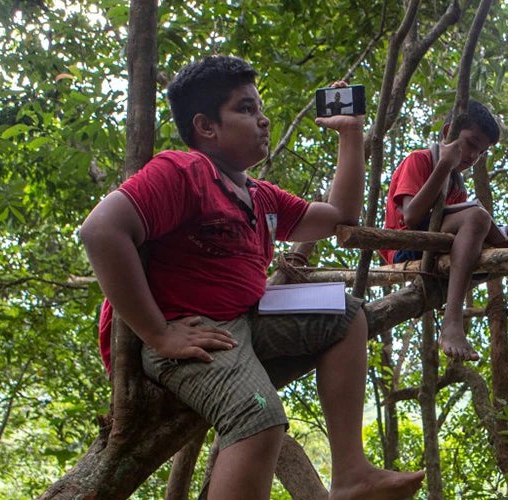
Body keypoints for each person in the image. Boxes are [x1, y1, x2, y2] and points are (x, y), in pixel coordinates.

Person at [80, 55, 424, 500]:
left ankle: (351, 474)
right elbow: (101, 231)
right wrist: (158, 333)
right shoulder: (183, 172)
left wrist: (351, 133)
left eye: (258, 108)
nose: (262, 119)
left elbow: (339, 216)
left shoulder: (260, 196)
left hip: (246, 318)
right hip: (194, 329)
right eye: (245, 109)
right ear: (206, 127)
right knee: (257, 416)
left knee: (344, 311)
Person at [379, 99, 508, 377]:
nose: (474, 155)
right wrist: (443, 167)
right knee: (478, 216)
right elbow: (411, 216)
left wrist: (492, 232)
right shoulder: (420, 159)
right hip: (407, 248)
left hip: (441, 245)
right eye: (471, 144)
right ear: (449, 133)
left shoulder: (457, 183)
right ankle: (452, 322)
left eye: (481, 152)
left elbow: (460, 227)